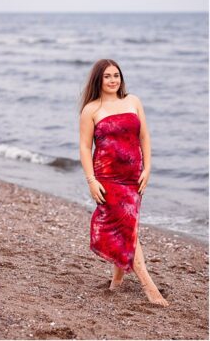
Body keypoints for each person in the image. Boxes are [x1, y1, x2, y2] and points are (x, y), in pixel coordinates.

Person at [78, 59, 168, 306]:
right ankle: (150, 287)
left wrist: (148, 168)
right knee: (128, 229)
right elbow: (85, 148)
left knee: (129, 226)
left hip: (133, 176)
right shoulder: (91, 109)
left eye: (116, 75)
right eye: (107, 76)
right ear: (99, 79)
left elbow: (144, 136)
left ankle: (116, 281)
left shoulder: (133, 101)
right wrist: (91, 181)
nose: (112, 80)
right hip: (108, 178)